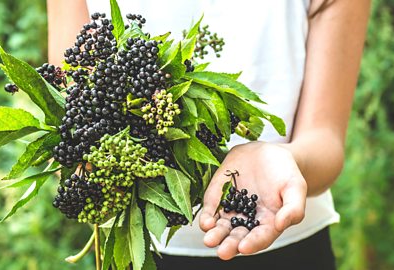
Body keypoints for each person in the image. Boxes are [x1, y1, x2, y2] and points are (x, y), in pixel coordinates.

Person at [47, 0, 370, 269]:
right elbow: (74, 114)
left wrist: (286, 160)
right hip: (143, 249)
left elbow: (325, 140)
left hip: (287, 240)